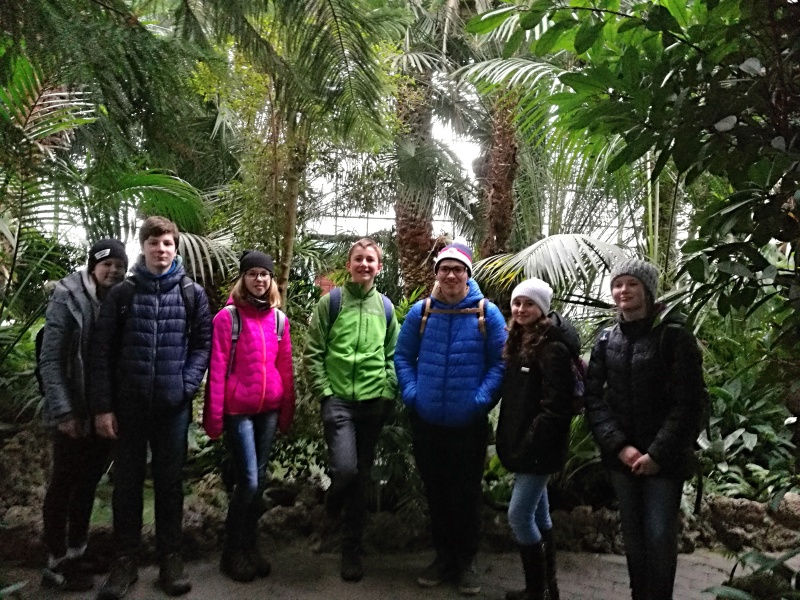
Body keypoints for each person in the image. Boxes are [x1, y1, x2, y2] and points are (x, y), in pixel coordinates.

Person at [90, 216, 212, 599]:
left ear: (176, 248)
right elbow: (102, 353)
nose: (161, 249)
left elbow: (202, 346)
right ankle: (124, 562)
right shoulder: (122, 295)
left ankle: (170, 559)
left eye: (167, 243)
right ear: (143, 247)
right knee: (126, 484)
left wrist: (184, 385)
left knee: (169, 484)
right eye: (154, 243)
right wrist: (103, 408)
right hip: (129, 407)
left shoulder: (191, 294)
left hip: (172, 409)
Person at [584, 258, 707, 600]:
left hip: (664, 460)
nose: (623, 290)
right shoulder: (606, 340)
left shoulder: (674, 337)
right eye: (617, 284)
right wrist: (620, 447)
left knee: (658, 535)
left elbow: (688, 403)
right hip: (623, 459)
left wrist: (656, 455)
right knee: (634, 537)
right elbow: (594, 399)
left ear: (648, 290)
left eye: (632, 284)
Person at [394, 238, 507, 596]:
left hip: (468, 424)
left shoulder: (487, 313)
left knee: (466, 494)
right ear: (437, 274)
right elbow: (402, 356)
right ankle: (443, 558)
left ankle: (466, 561)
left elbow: (501, 362)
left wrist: (480, 400)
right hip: (427, 422)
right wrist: (413, 394)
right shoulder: (422, 312)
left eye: (458, 269)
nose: (451, 275)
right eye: (445, 269)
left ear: (467, 274)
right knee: (437, 492)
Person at [303, 238, 399, 583]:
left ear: (379, 267)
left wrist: (387, 390)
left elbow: (392, 354)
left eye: (370, 259)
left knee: (361, 478)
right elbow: (313, 351)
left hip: (374, 402)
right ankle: (333, 502)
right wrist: (326, 393)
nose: (364, 264)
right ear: (349, 265)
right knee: (345, 469)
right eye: (358, 258)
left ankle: (351, 550)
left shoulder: (385, 307)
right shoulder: (332, 302)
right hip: (339, 401)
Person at [40, 239, 128, 591]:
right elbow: (50, 360)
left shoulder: (118, 299)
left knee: (89, 482)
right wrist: (63, 411)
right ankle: (55, 562)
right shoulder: (67, 297)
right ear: (93, 266)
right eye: (107, 264)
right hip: (72, 408)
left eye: (119, 266)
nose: (113, 271)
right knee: (63, 483)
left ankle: (77, 551)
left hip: (100, 409)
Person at [203, 250, 295, 583]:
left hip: (268, 409)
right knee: (250, 481)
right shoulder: (227, 318)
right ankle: (232, 551)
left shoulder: (279, 320)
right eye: (253, 273)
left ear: (271, 280)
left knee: (260, 480)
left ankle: (250, 546)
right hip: (238, 411)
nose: (259, 279)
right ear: (243, 278)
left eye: (264, 274)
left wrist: (287, 410)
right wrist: (214, 418)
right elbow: (216, 371)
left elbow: (285, 367)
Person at [495, 278, 574, 600]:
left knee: (518, 516)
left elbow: (557, 405)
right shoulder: (520, 340)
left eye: (529, 304)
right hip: (526, 444)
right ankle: (546, 588)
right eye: (517, 303)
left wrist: (532, 439)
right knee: (539, 515)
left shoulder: (552, 349)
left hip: (538, 448)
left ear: (542, 308)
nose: (521, 309)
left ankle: (536, 590)